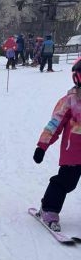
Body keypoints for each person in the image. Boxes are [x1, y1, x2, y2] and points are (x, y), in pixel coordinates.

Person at [32, 58, 81, 231]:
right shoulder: (70, 101)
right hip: (73, 152)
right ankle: (49, 208)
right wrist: (42, 146)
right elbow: (54, 124)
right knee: (66, 182)